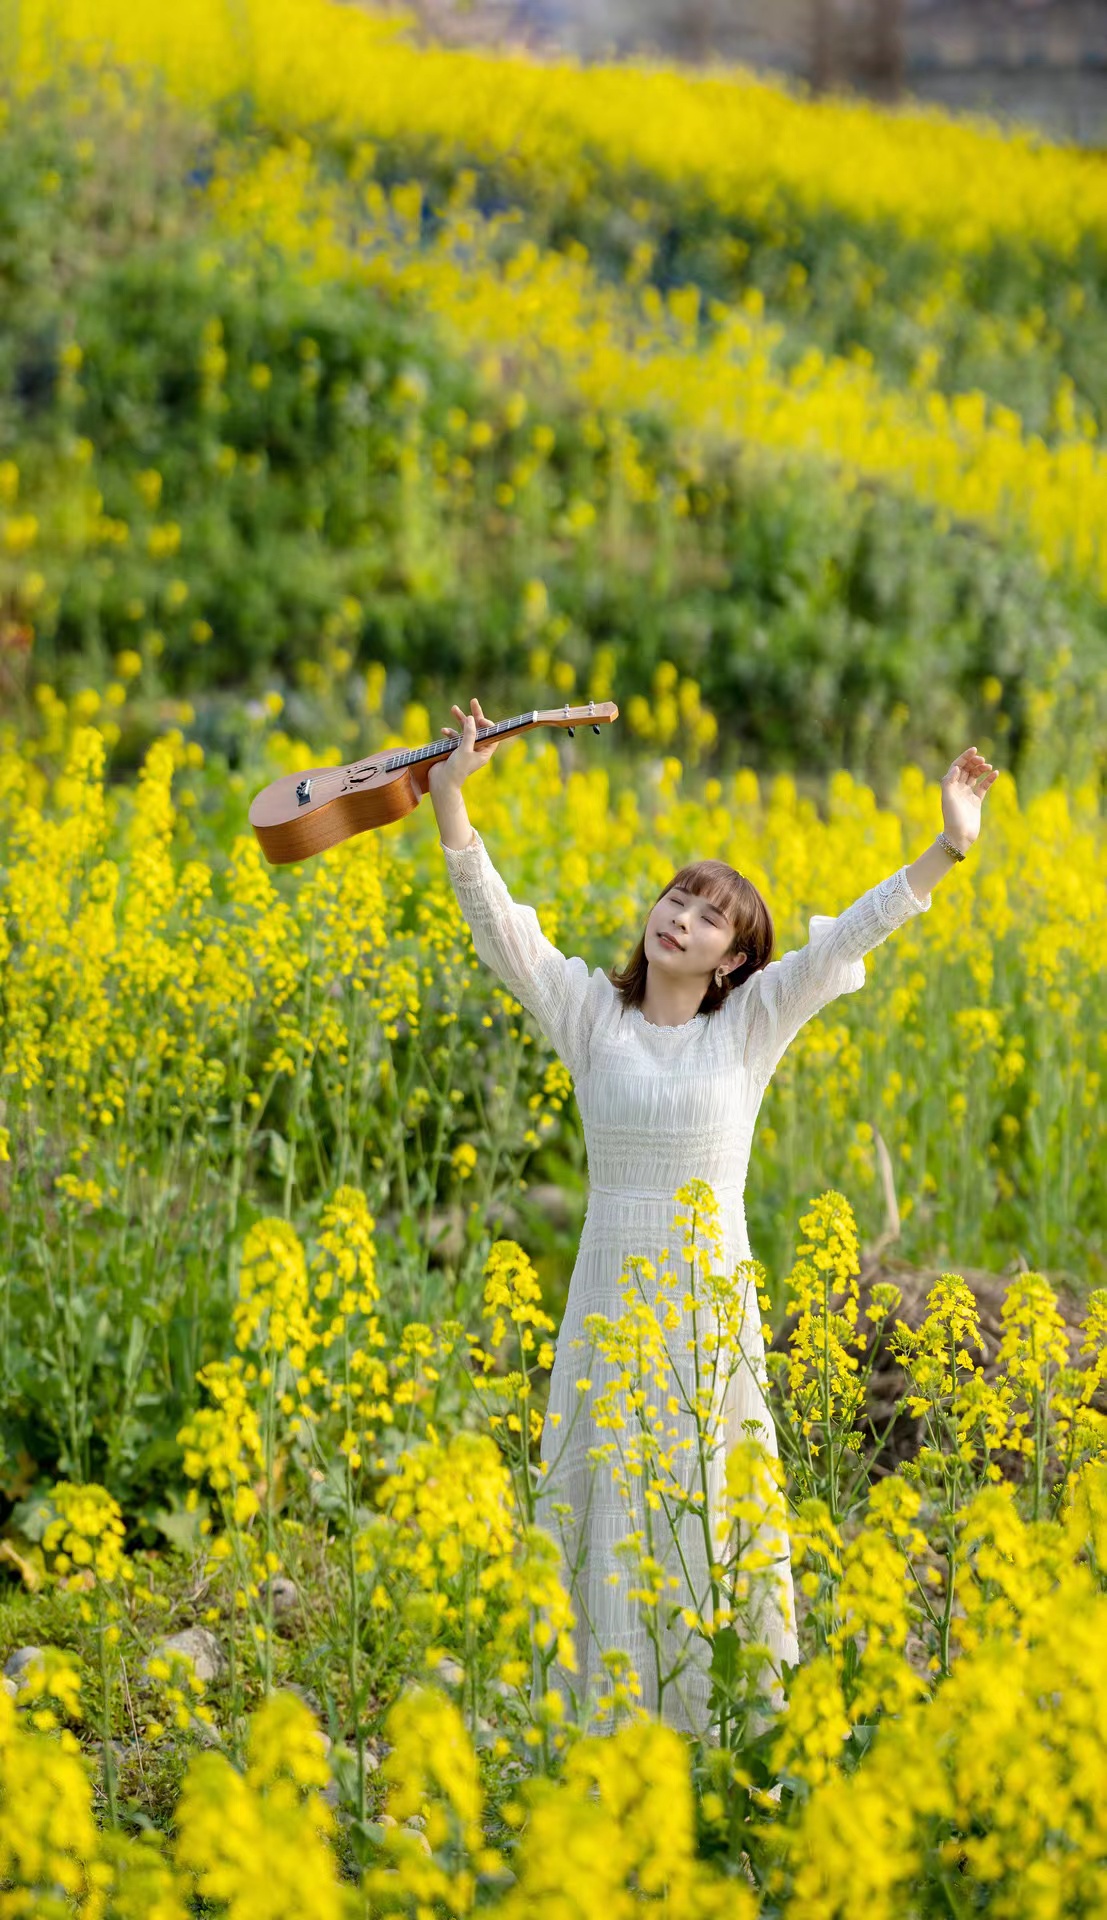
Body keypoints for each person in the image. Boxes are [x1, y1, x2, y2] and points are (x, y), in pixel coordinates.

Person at [428, 696, 998, 1740]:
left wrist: (945, 851)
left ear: (733, 958)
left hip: (704, 1295)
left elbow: (845, 942)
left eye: (707, 914)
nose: (678, 916)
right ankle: (596, 1737)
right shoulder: (589, 1013)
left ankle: (721, 1733)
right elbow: (499, 926)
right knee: (601, 1490)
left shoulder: (752, 1026)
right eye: (676, 897)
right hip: (605, 1291)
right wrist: (452, 796)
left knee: (708, 1486)